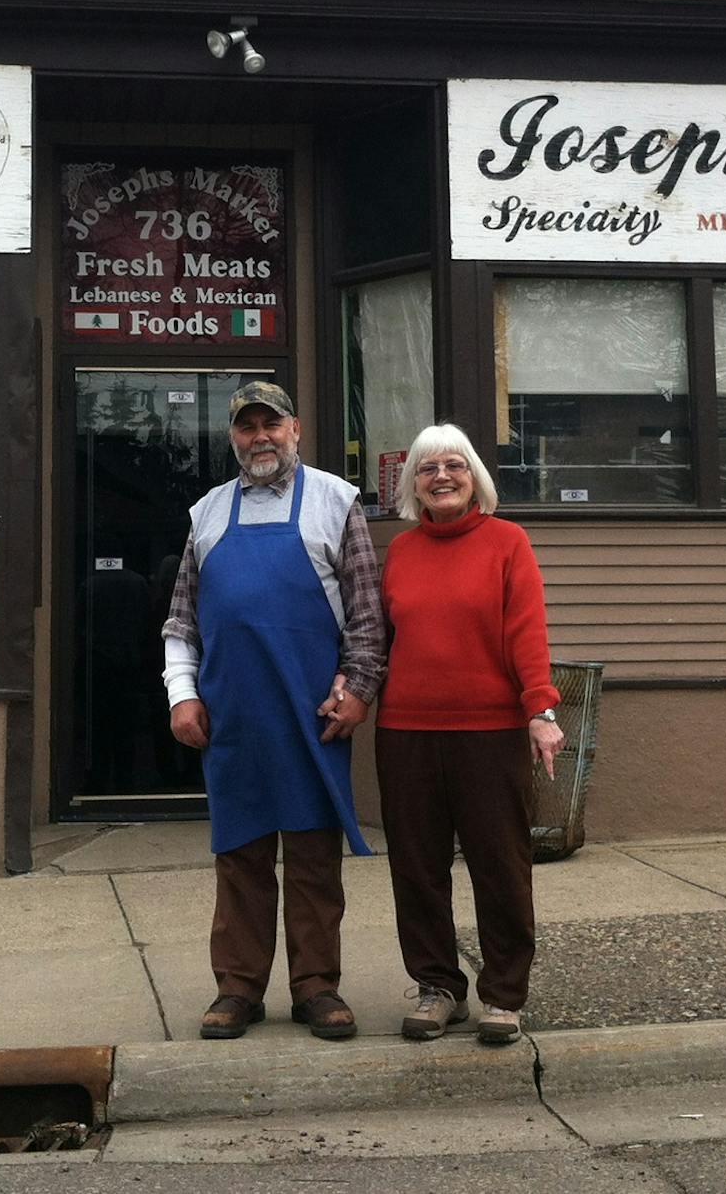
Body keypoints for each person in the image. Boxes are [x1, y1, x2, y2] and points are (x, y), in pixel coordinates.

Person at [162, 380, 384, 1041]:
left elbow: (368, 619)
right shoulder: (206, 512)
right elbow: (182, 621)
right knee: (241, 855)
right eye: (246, 426)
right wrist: (183, 693)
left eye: (271, 423)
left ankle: (317, 985)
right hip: (233, 714)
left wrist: (357, 689)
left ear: (297, 428)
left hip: (312, 710)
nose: (260, 436)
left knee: (314, 855)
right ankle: (238, 987)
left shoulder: (336, 502)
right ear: (233, 436)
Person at [378, 423, 562, 1046]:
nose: (442, 477)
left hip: (488, 731)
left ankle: (504, 995)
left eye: (454, 465)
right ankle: (438, 989)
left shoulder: (507, 543)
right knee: (418, 868)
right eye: (428, 469)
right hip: (406, 731)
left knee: (500, 865)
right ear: (414, 485)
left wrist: (541, 710)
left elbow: (527, 633)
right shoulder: (400, 552)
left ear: (474, 476)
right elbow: (380, 640)